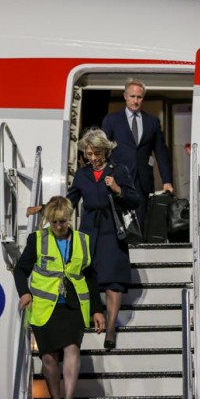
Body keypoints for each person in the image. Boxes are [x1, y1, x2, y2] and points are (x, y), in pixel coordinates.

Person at [13, 196, 105, 399]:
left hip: (73, 306)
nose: (58, 226)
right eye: (54, 222)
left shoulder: (83, 240)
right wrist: (24, 293)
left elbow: (90, 276)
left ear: (69, 218)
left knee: (72, 348)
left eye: (62, 222)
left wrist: (97, 310)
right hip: (45, 308)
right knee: (48, 358)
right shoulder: (38, 239)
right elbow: (21, 269)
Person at [67, 128, 141, 349]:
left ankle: (110, 329)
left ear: (105, 150)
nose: (93, 158)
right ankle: (92, 315)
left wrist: (117, 188)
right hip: (90, 231)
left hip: (112, 231)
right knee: (86, 275)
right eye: (89, 154)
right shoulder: (82, 174)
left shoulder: (118, 170)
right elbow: (70, 201)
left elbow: (134, 199)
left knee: (113, 283)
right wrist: (47, 209)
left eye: (96, 153)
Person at [101, 77, 174, 228]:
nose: (135, 101)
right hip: (118, 181)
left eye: (139, 97)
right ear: (125, 96)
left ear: (143, 98)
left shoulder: (152, 121)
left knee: (140, 225)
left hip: (142, 182)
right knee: (118, 225)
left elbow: (161, 151)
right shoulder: (111, 120)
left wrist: (167, 180)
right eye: (132, 96)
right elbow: (103, 150)